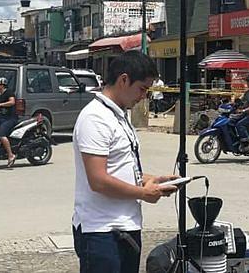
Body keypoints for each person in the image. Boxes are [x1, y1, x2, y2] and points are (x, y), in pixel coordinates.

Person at [72, 51, 177, 273]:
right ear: (123, 79)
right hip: (101, 231)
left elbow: (121, 168)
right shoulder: (95, 118)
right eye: (142, 89)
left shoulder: (118, 115)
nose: (143, 97)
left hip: (125, 226)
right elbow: (98, 180)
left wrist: (154, 181)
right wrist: (144, 194)